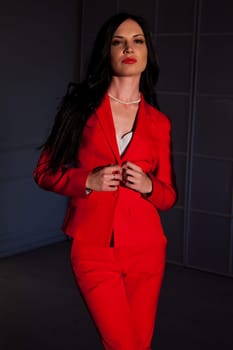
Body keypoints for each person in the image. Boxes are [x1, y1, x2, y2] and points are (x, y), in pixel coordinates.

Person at [34, 12, 177, 350]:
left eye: (137, 41)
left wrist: (149, 186)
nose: (129, 48)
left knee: (139, 345)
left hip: (147, 252)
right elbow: (44, 172)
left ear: (147, 54)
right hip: (93, 251)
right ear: (107, 52)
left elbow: (168, 196)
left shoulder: (159, 123)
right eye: (118, 41)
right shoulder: (79, 108)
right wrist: (87, 180)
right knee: (122, 344)